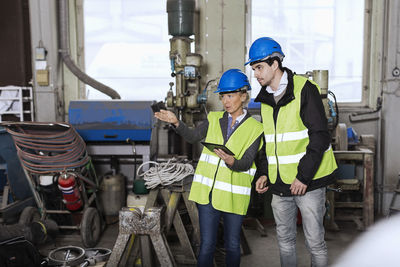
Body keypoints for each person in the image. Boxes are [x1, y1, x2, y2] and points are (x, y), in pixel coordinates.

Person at [154, 69, 267, 267]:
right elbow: (192, 136)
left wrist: (232, 161)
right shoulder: (214, 119)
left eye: (230, 95)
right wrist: (176, 122)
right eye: (223, 96)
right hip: (208, 195)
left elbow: (247, 162)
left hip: (233, 197)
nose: (226, 101)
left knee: (232, 245)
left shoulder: (256, 129)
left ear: (243, 95)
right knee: (206, 244)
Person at [247, 37, 337, 267]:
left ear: (275, 64)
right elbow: (270, 143)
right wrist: (264, 173)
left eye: (259, 67)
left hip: (308, 182)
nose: (255, 74)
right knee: (285, 241)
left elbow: (320, 136)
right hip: (279, 184)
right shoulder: (265, 99)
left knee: (315, 243)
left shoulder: (305, 89)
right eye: (254, 68)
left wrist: (303, 176)